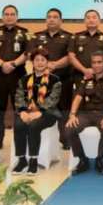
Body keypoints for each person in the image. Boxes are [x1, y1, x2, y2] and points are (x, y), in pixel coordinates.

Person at [65, 51, 103, 176]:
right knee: (69, 129)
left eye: (99, 62)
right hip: (86, 115)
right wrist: (72, 115)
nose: (96, 65)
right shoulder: (86, 80)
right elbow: (78, 98)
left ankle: (99, 160)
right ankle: (82, 160)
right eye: (94, 62)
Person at [26, 8, 73, 149]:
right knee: (41, 108)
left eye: (55, 17)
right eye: (49, 17)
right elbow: (30, 54)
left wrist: (54, 65)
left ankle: (66, 140)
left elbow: (71, 56)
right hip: (41, 82)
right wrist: (44, 65)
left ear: (61, 20)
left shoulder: (69, 37)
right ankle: (39, 141)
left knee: (64, 111)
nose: (52, 19)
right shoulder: (36, 36)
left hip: (63, 79)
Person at [12, 48, 62, 176]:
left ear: (48, 62)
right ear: (32, 62)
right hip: (27, 112)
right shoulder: (24, 79)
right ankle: (22, 160)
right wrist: (22, 112)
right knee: (18, 125)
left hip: (48, 113)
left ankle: (33, 161)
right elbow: (19, 97)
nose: (39, 62)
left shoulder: (54, 80)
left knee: (34, 126)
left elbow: (54, 99)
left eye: (42, 60)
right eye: (37, 60)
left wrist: (40, 112)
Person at [0, 5, 29, 149]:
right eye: (6, 14)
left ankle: (19, 143)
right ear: (2, 16)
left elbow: (28, 52)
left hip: (18, 74)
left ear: (17, 16)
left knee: (20, 108)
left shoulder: (25, 33)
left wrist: (14, 64)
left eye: (12, 14)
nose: (9, 17)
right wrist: (2, 64)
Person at [68, 9, 103, 87]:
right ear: (84, 21)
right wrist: (84, 70)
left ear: (99, 21)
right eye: (88, 18)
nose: (91, 20)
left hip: (100, 76)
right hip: (80, 75)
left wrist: (97, 70)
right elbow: (71, 56)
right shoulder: (76, 36)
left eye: (94, 17)